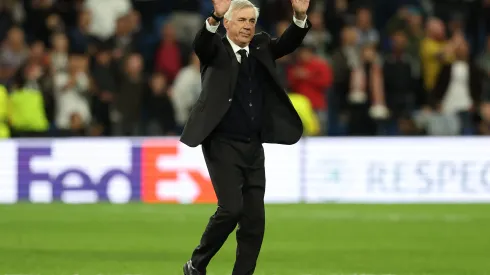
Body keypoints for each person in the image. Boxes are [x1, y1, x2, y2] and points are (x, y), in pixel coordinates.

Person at [180, 0, 311, 274]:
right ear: (227, 23)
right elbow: (201, 44)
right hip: (221, 143)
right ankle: (196, 264)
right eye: (241, 20)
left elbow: (287, 43)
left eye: (251, 21)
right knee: (230, 209)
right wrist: (214, 16)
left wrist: (299, 16)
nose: (248, 26)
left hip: (253, 145)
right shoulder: (215, 49)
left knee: (254, 221)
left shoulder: (261, 46)